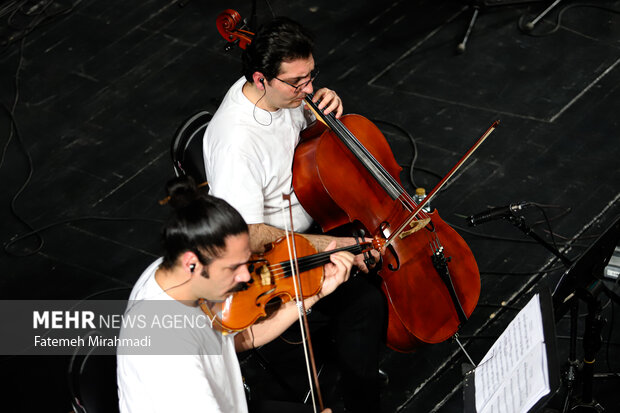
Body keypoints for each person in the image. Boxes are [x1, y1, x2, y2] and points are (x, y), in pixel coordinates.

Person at [204, 16, 386, 412]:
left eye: (311, 77)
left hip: (313, 213)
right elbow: (247, 234)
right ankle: (361, 401)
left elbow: (305, 137)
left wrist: (324, 107)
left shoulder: (286, 96)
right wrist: (337, 244)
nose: (307, 89)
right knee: (364, 304)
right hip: (275, 251)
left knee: (377, 252)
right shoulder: (236, 142)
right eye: (297, 83)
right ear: (260, 78)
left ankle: (348, 357)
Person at [116, 177, 352, 413]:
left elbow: (236, 339)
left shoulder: (174, 272)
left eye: (246, 261)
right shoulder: (167, 352)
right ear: (192, 263)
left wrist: (313, 294)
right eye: (233, 268)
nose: (246, 276)